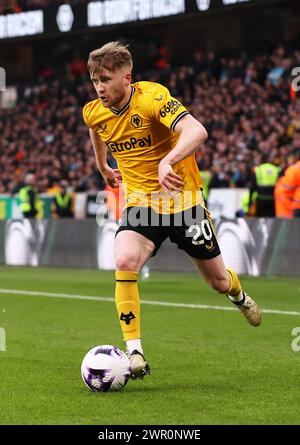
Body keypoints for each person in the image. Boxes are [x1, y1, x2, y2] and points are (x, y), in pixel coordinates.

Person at [83, 41, 262, 380]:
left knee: (218, 281)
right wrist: (103, 165)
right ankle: (134, 351)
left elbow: (197, 130)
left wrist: (168, 160)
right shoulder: (93, 109)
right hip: (142, 204)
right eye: (95, 81)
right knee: (123, 260)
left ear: (127, 77)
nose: (100, 88)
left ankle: (239, 296)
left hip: (184, 202)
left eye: (106, 79)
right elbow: (97, 127)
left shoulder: (152, 98)